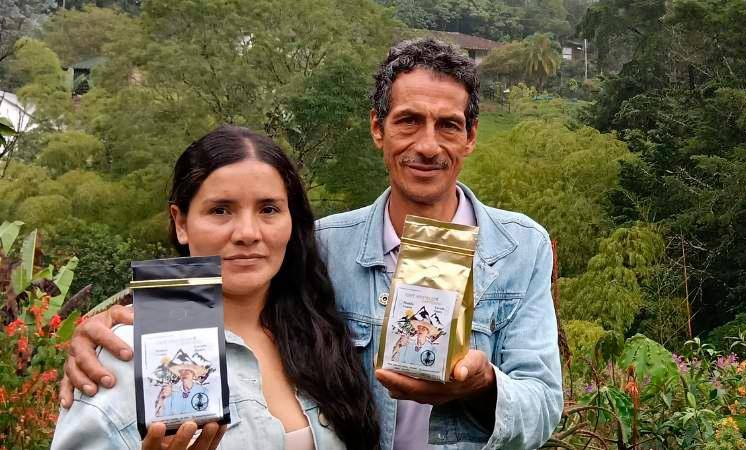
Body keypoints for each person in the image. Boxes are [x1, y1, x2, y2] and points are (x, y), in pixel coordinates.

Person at [60, 38, 564, 450]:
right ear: (377, 129)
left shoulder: (520, 247)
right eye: (408, 120)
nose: (428, 145)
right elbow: (227, 293)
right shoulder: (324, 247)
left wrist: (481, 386)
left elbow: (543, 406)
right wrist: (111, 330)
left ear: (471, 136)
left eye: (448, 125)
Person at [51, 125, 380, 450]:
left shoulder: (322, 328)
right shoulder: (127, 354)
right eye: (221, 210)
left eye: (269, 209)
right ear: (181, 223)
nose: (248, 232)